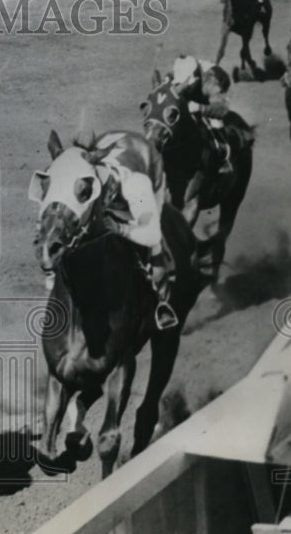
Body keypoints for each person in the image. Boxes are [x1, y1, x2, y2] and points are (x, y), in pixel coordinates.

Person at [84, 133, 179, 331]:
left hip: (149, 163)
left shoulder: (136, 185)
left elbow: (150, 233)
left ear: (110, 188)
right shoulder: (91, 175)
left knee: (153, 244)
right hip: (111, 146)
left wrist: (120, 229)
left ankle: (162, 302)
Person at [170, 55, 234, 176]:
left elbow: (221, 110)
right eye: (180, 84)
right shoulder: (177, 73)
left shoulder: (213, 83)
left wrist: (198, 107)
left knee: (213, 120)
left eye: (186, 84)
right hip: (199, 84)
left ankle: (223, 158)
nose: (182, 88)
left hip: (215, 92)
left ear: (196, 78)